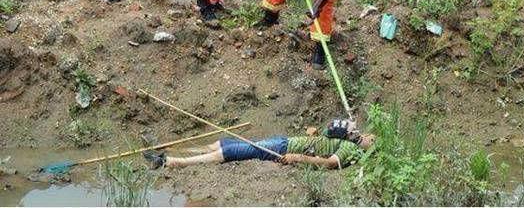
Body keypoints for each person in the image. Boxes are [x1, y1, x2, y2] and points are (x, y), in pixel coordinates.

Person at [143, 120, 374, 170]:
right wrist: (349, 129)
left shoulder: (351, 150)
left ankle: (172, 162)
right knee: (221, 143)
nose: (369, 136)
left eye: (372, 140)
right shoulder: (351, 135)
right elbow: (327, 130)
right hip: (286, 141)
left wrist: (297, 158)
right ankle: (168, 152)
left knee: (231, 151)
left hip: (285, 150)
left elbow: (329, 163)